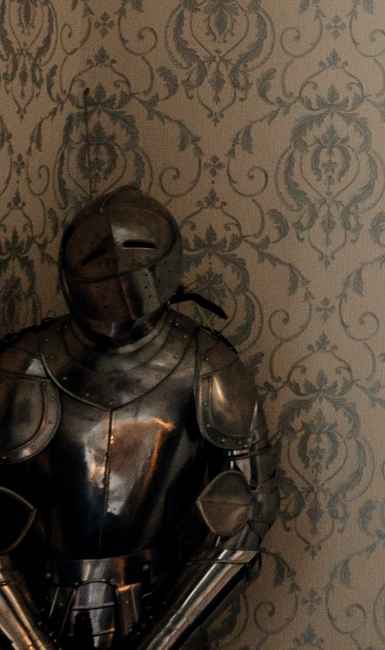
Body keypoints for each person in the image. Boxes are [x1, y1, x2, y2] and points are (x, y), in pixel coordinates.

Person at [0, 187, 275, 650]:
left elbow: (247, 514)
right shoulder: (24, 366)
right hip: (36, 608)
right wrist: (31, 641)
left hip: (166, 604)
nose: (116, 273)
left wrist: (162, 638)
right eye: (97, 255)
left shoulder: (206, 365)